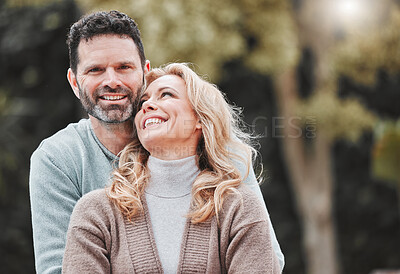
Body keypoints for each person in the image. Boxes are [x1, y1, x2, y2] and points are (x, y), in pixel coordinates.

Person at [29, 10, 284, 274]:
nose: (112, 81)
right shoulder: (58, 160)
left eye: (124, 67)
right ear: (74, 81)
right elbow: (59, 269)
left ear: (144, 72)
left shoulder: (218, 149)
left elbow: (266, 258)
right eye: (95, 70)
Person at [62, 63, 281, 273]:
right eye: (142, 103)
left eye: (166, 94)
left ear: (200, 119)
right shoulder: (96, 212)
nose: (147, 105)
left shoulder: (239, 208)